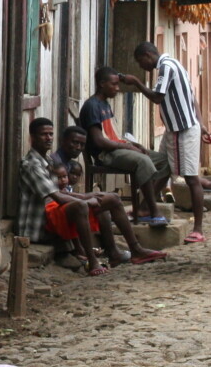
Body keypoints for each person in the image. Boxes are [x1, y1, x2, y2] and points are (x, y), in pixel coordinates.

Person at [17, 118, 163, 276]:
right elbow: (58, 197)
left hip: (55, 214)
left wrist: (89, 195)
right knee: (82, 205)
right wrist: (87, 200)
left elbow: (63, 193)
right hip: (40, 226)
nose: (48, 138)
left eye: (51, 134)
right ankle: (93, 262)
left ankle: (132, 250)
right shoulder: (31, 165)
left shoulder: (49, 161)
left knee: (113, 198)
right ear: (32, 137)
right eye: (43, 134)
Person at [123, 42, 211, 244]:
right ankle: (145, 208)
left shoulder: (166, 67)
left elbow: (157, 97)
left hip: (183, 131)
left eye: (140, 62)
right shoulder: (175, 63)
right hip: (175, 129)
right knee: (163, 168)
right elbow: (192, 98)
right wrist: (201, 124)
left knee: (191, 178)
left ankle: (198, 229)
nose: (141, 66)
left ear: (148, 55)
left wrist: (136, 82)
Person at [78, 67, 170, 224]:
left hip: (116, 149)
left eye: (117, 84)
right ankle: (154, 212)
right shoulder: (92, 106)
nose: (117, 88)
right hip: (105, 154)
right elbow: (100, 141)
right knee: (143, 161)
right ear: (102, 84)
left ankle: (144, 207)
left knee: (166, 161)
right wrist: (128, 148)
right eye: (113, 84)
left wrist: (135, 144)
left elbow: (113, 136)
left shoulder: (105, 104)